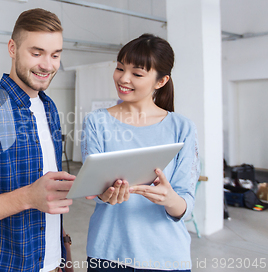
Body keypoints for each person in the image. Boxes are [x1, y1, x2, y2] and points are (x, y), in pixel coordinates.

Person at [0, 8, 75, 272]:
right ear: (12, 48)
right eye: (36, 52)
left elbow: (48, 190)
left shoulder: (49, 107)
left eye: (55, 55)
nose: (48, 65)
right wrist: (28, 197)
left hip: (53, 262)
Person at [81, 34, 200, 272]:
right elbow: (94, 190)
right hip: (108, 254)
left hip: (165, 257)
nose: (123, 78)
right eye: (119, 68)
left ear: (161, 80)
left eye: (137, 74)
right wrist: (106, 195)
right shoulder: (96, 122)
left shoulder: (182, 128)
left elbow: (185, 203)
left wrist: (170, 199)